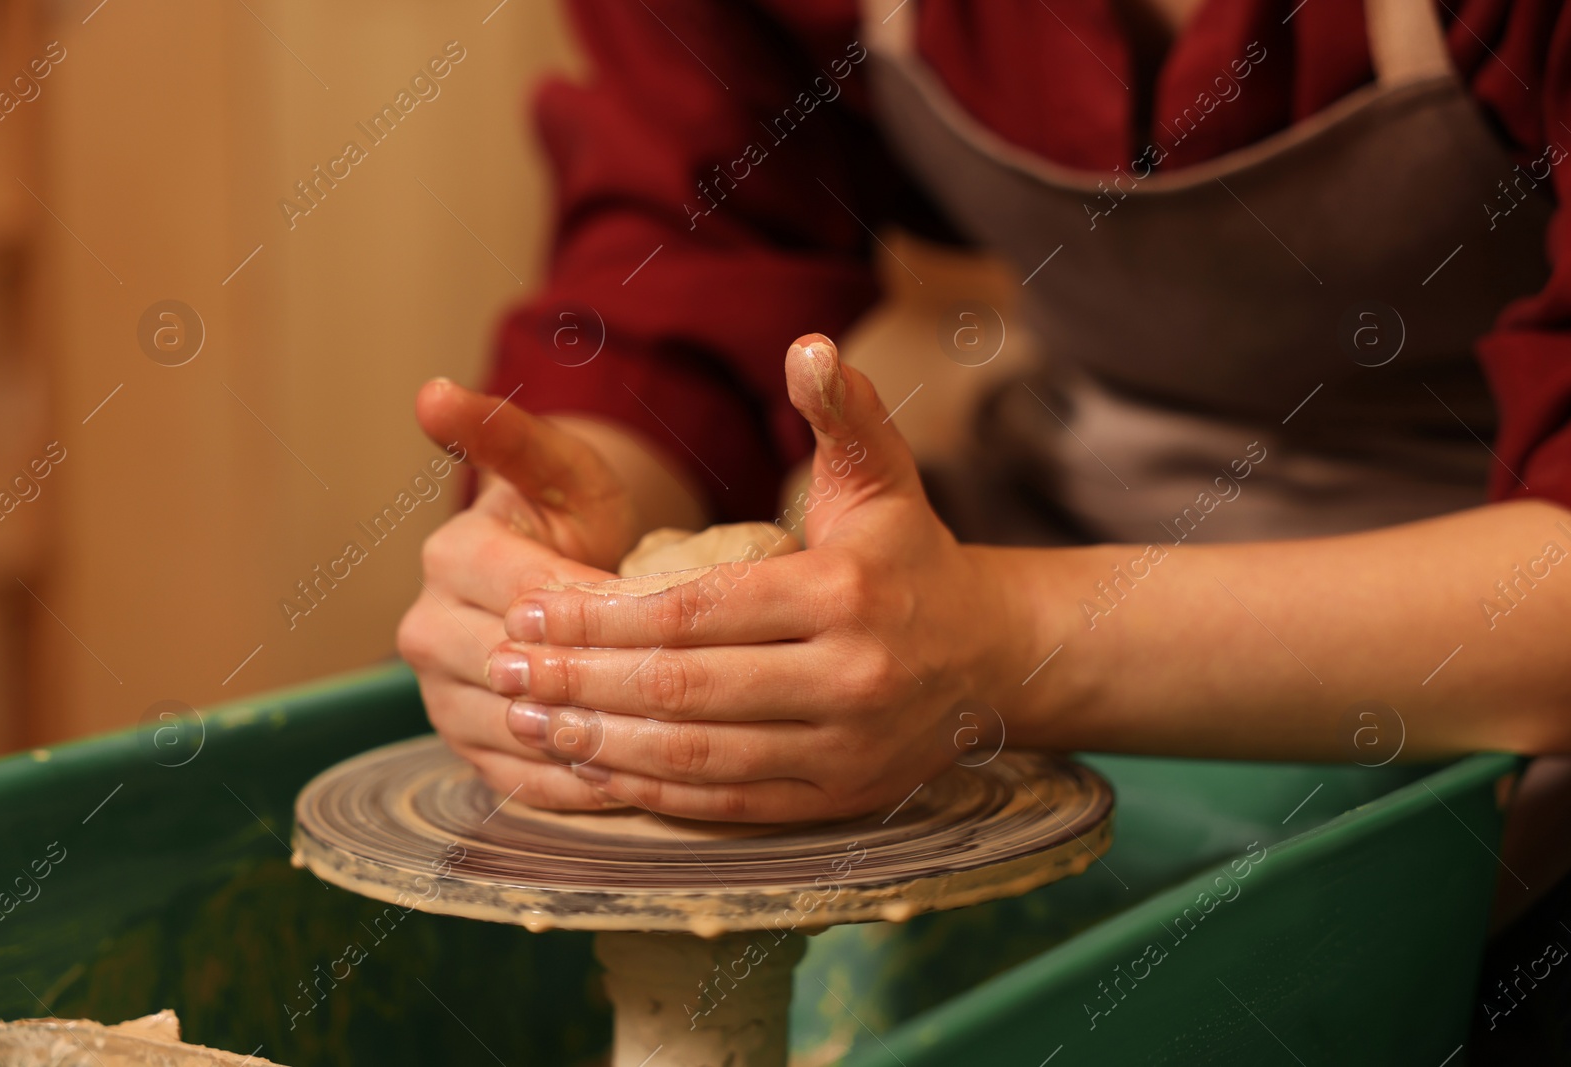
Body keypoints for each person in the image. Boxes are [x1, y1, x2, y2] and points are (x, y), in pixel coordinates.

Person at [397, 0, 1570, 897]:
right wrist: (569, 559)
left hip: (1492, 611)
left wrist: (1004, 643)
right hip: (1065, 508)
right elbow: (692, 234)